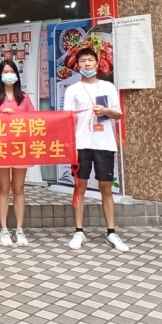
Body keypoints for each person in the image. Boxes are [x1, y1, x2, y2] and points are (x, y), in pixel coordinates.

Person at [63, 48, 128, 252]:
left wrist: (106, 111)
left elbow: (118, 115)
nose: (87, 64)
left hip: (104, 143)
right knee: (79, 187)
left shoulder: (108, 87)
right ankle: (79, 231)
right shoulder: (72, 90)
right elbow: (66, 120)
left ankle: (111, 232)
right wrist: (70, 147)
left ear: (97, 63)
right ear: (77, 65)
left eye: (90, 60)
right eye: (83, 61)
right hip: (81, 144)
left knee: (105, 187)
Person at [0, 60, 35, 247]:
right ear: (0, 75)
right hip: (1, 147)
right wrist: (0, 116)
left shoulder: (25, 97)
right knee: (3, 188)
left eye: (11, 71)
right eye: (5, 72)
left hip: (20, 147)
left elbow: (34, 120)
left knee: (19, 188)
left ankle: (19, 229)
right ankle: (4, 229)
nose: (8, 75)